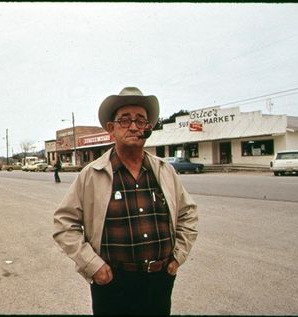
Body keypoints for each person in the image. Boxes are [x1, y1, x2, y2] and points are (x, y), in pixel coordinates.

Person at [53, 87, 198, 315]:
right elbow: (64, 224)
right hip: (112, 284)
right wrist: (93, 265)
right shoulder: (92, 174)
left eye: (141, 121)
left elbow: (188, 213)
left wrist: (178, 256)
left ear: (148, 129)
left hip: (160, 282)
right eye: (125, 120)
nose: (133, 126)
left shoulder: (164, 170)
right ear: (112, 129)